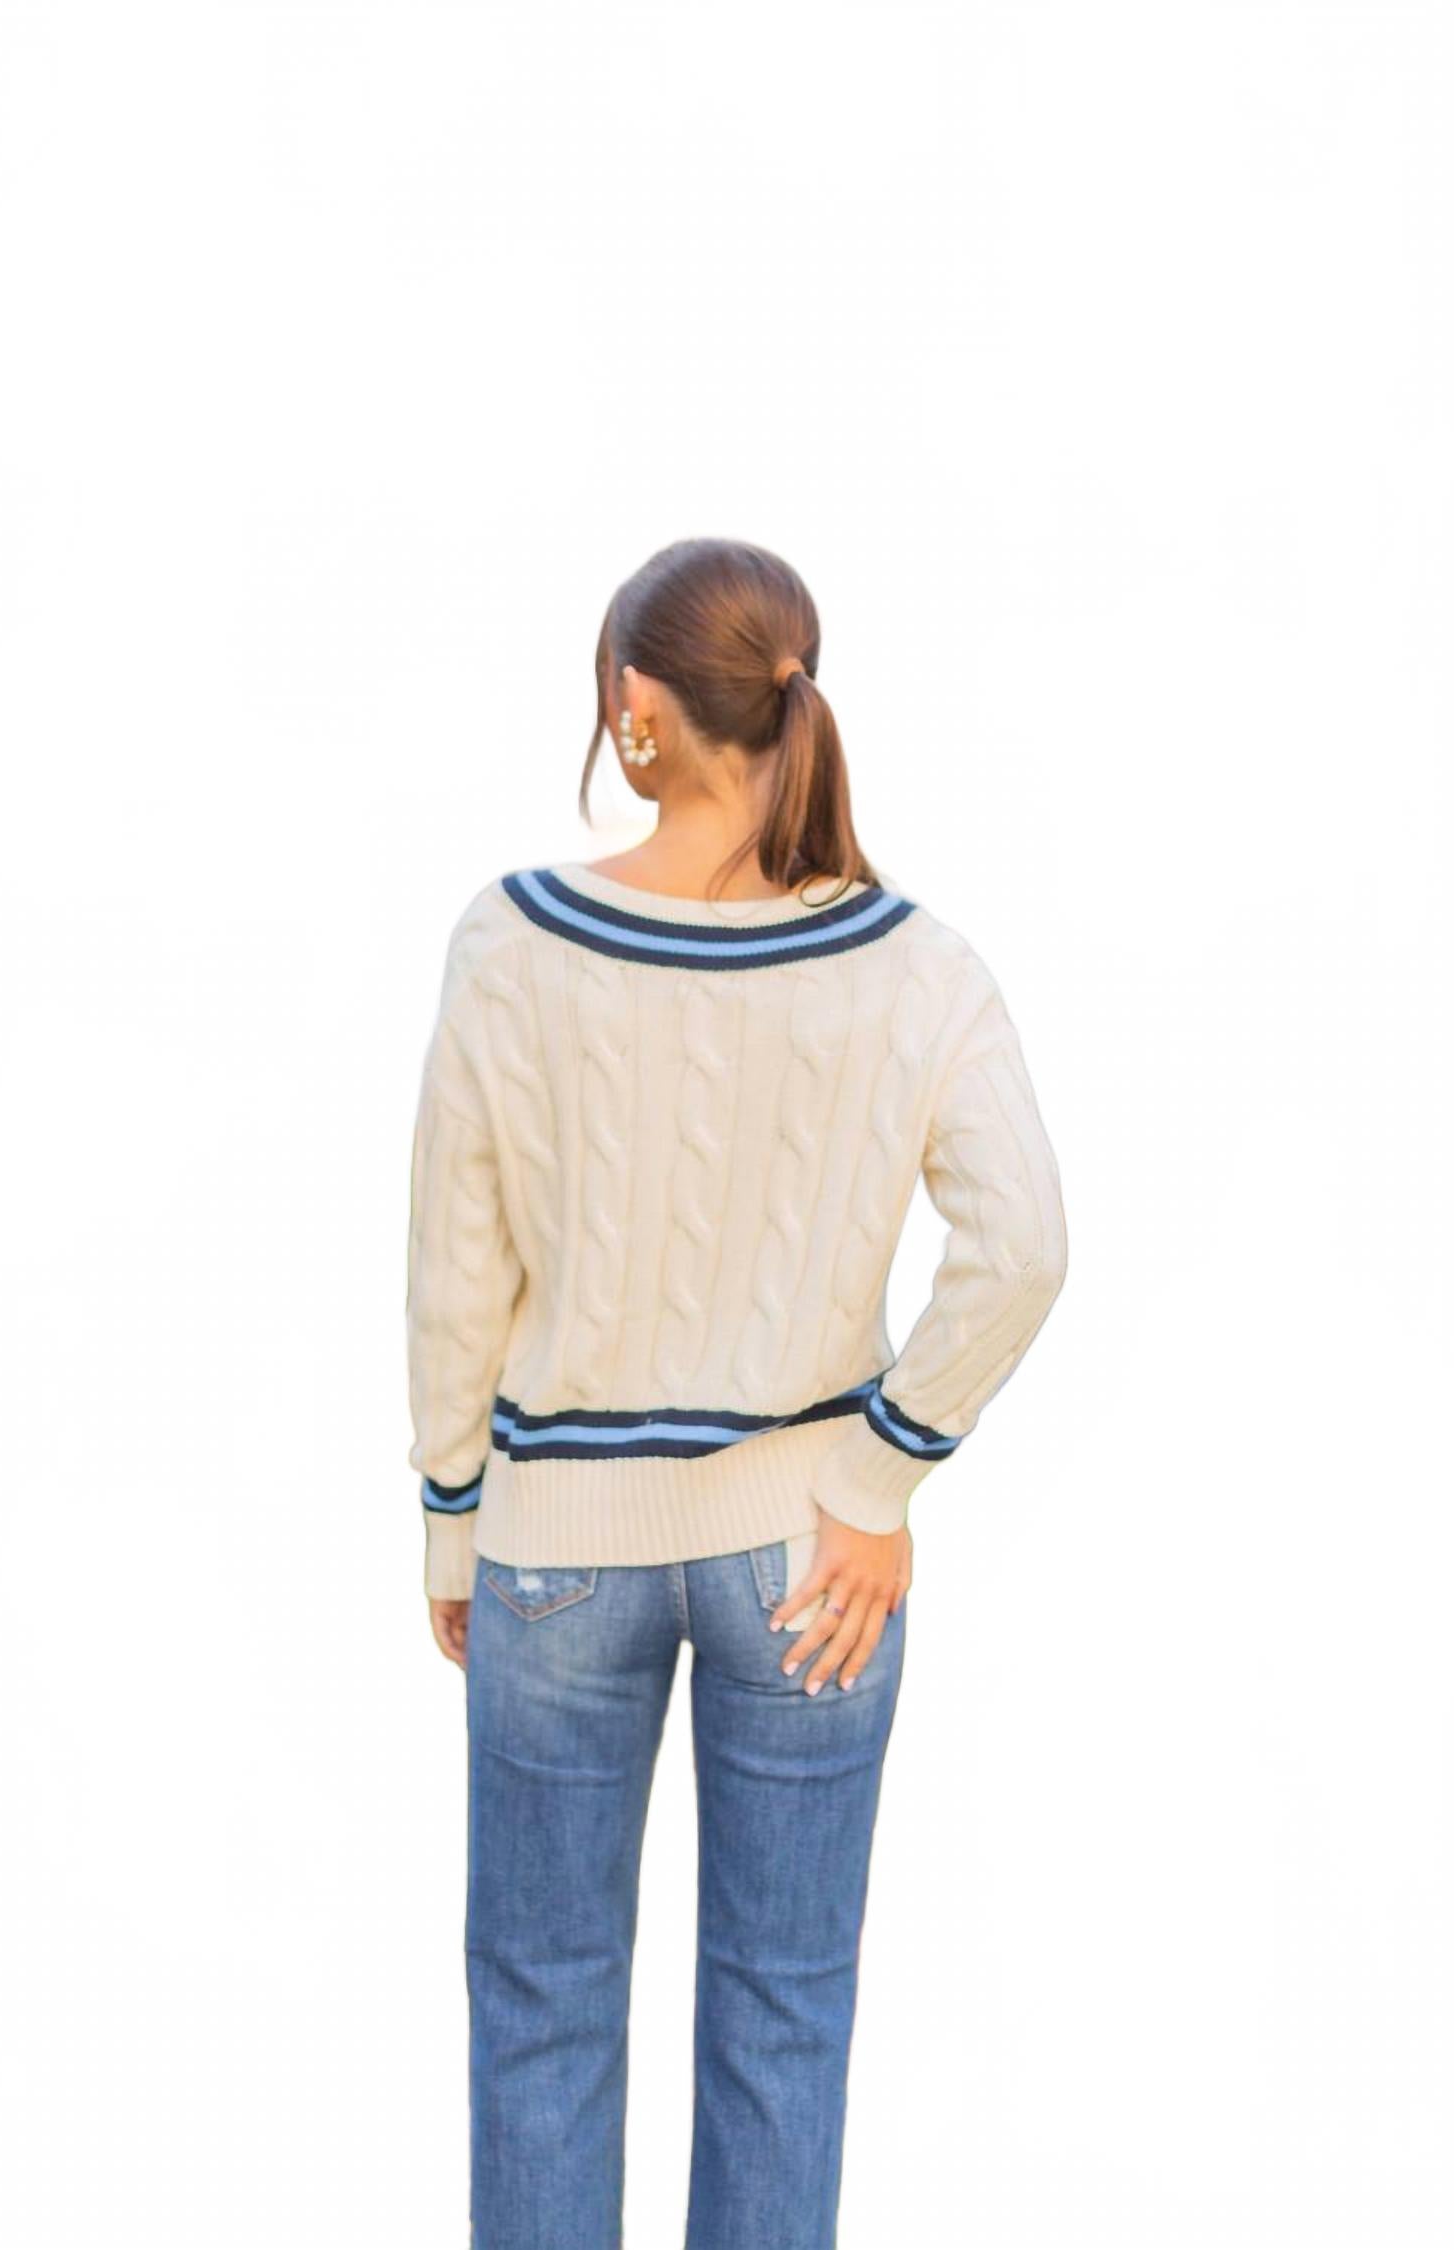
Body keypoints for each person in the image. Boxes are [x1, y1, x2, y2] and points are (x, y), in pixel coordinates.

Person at [404, 535, 1068, 2250]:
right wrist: (882, 1480)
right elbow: (1026, 1241)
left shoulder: (513, 942)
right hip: (813, 1563)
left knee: (540, 2009)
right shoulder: (916, 963)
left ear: (636, 705)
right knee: (785, 2013)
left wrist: (452, 1514)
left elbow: (457, 1260)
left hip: (555, 1552)